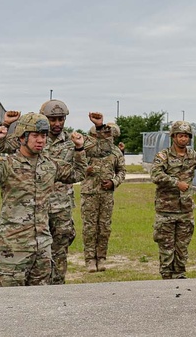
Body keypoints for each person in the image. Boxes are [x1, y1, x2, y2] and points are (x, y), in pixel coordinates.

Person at [0, 112, 86, 286]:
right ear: (22, 137)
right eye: (35, 135)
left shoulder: (50, 165)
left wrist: (79, 149)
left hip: (42, 248)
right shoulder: (8, 165)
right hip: (13, 248)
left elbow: (78, 173)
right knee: (6, 302)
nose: (41, 140)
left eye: (44, 135)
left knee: (38, 304)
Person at [150, 120, 196, 279]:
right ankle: (166, 276)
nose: (183, 139)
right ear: (173, 137)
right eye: (180, 136)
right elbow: (155, 175)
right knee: (166, 246)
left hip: (185, 210)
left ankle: (180, 275)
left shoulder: (193, 155)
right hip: (166, 209)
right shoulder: (163, 156)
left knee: (182, 246)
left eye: (186, 136)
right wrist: (176, 183)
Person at [80, 113, 126, 272]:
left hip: (106, 195)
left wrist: (113, 182)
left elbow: (121, 172)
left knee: (104, 227)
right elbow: (76, 167)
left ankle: (101, 258)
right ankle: (90, 260)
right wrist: (87, 170)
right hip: (89, 194)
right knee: (89, 227)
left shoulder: (115, 152)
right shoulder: (89, 150)